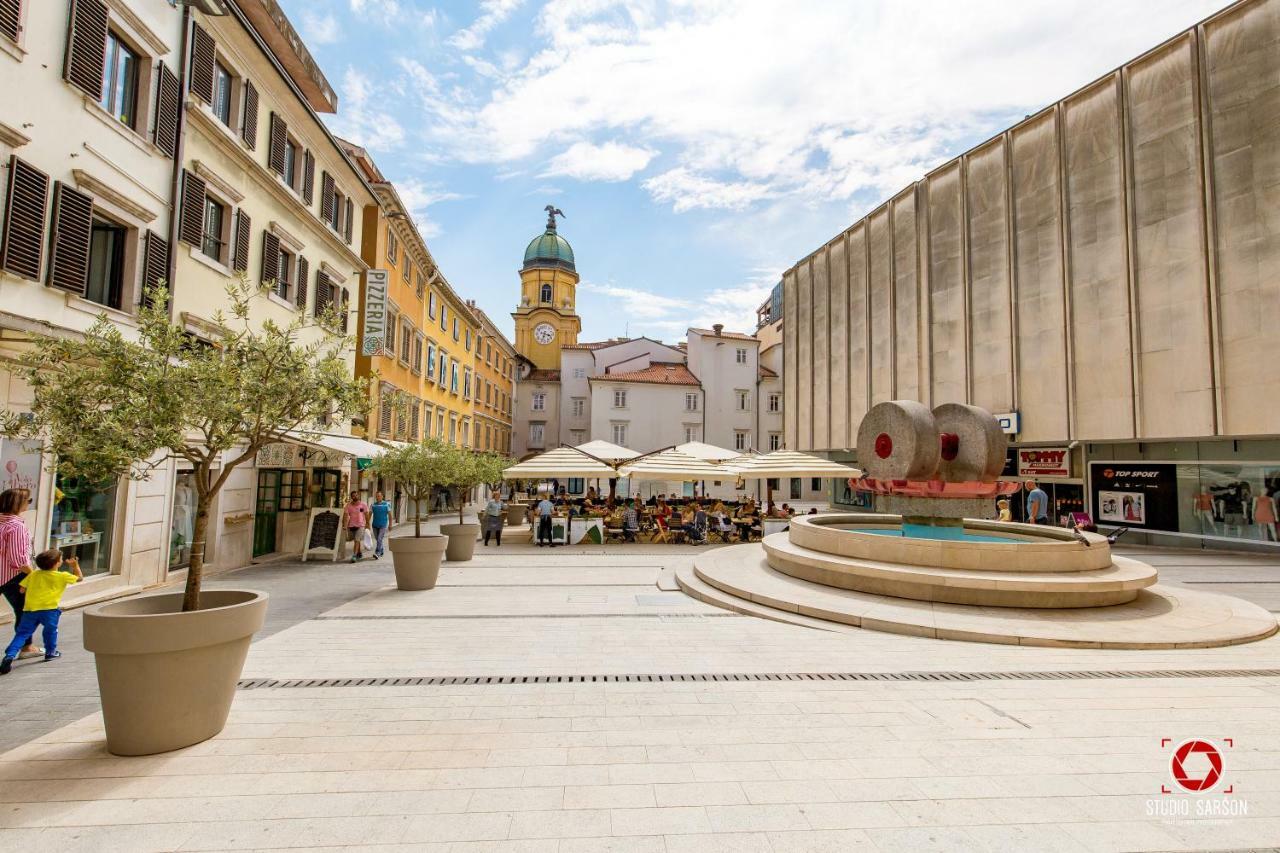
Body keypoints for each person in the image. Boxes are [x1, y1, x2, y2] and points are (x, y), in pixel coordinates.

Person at [0, 549, 82, 674]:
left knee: (22, 634)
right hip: (49, 610)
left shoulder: (33, 574)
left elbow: (21, 590)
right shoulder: (62, 576)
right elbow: (79, 578)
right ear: (56, 563)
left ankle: (9, 655)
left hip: (30, 610)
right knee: (50, 631)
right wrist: (75, 566)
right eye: (60, 560)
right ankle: (50, 652)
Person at [0, 490, 40, 660]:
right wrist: (35, 576)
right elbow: (18, 560)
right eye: (28, 500)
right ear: (17, 503)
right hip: (13, 576)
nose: (29, 503)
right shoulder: (16, 526)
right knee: (25, 611)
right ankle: (27, 647)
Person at [343, 492, 370, 562]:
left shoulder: (363, 505)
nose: (355, 497)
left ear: (358, 496)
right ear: (352, 497)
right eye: (353, 496)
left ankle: (354, 556)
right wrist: (345, 525)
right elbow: (345, 515)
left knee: (357, 540)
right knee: (355, 539)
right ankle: (359, 552)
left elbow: (366, 514)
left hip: (361, 525)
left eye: (356, 495)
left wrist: (368, 524)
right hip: (351, 525)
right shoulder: (348, 506)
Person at [369, 491, 392, 558]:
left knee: (379, 539)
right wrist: (367, 524)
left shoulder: (387, 504)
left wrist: (390, 525)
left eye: (379, 496)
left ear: (382, 496)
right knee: (378, 539)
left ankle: (377, 552)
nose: (377, 497)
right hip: (375, 525)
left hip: (383, 525)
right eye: (376, 496)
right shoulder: (373, 505)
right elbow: (369, 515)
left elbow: (390, 515)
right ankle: (381, 550)